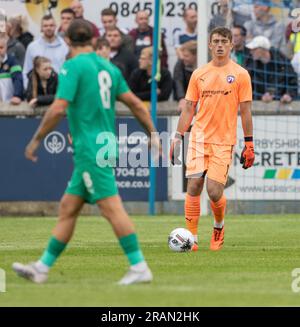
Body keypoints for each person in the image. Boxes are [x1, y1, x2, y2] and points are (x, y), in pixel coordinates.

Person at [12, 19, 159, 285]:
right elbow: (136, 103)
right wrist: (153, 134)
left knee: (112, 209)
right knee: (68, 208)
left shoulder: (72, 66)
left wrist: (36, 139)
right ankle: (42, 268)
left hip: (91, 150)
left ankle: (139, 266)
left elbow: (58, 108)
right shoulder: (108, 68)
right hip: (101, 145)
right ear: (93, 40)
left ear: (67, 40)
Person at [170, 27, 255, 252]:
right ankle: (193, 238)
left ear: (230, 45)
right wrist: (177, 137)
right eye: (215, 41)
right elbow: (189, 108)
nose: (219, 44)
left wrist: (249, 143)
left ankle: (218, 227)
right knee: (194, 185)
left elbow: (245, 111)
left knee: (214, 191)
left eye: (224, 41)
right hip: (198, 137)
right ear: (209, 45)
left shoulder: (240, 74)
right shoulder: (199, 74)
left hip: (223, 140)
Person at [245, 35, 298, 103]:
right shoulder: (250, 64)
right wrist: (260, 97)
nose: (251, 52)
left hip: (282, 104)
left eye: (254, 49)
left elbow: (293, 81)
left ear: (263, 49)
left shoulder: (282, 62)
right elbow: (246, 88)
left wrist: (289, 95)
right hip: (258, 105)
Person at [23, 14, 68, 88]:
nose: (48, 28)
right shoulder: (32, 47)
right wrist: (28, 90)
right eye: (45, 26)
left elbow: (68, 69)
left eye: (51, 25)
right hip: (39, 90)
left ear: (55, 26)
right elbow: (27, 71)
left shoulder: (65, 46)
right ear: (41, 28)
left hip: (61, 89)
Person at [173, 40, 197, 112]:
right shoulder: (180, 63)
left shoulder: (205, 64)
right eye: (183, 55)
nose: (183, 58)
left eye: (186, 56)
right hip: (185, 99)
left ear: (196, 56)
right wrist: (181, 98)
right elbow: (178, 81)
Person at [0, 34, 23, 104]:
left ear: (6, 48)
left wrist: (17, 95)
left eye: (1, 47)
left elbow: (18, 79)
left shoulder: (12, 61)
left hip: (9, 102)